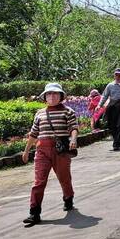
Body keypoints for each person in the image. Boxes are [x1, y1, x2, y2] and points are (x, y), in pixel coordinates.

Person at [21, 83, 78, 226]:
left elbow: (73, 127)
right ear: (45, 97)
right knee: (39, 182)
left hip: (60, 151)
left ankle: (68, 198)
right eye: (49, 94)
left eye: (55, 94)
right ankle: (34, 213)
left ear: (61, 96)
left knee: (64, 178)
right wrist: (27, 150)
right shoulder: (40, 113)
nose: (52, 97)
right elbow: (34, 133)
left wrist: (74, 139)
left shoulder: (68, 111)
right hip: (42, 151)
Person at [98, 68, 120, 150]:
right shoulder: (110, 85)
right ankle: (118, 139)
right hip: (112, 107)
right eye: (116, 74)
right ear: (114, 75)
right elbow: (104, 96)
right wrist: (99, 105)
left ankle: (116, 144)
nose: (118, 76)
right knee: (111, 125)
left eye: (119, 75)